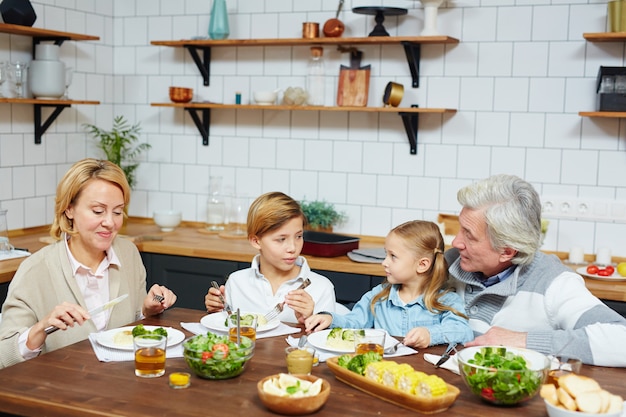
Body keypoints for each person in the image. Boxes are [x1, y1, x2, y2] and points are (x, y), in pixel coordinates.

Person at [0, 159, 177, 369]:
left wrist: (147, 310)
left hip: (123, 388)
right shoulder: (35, 270)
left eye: (118, 212)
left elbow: (129, 327)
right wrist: (41, 329)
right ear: (69, 209)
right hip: (61, 394)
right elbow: (4, 355)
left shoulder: (127, 253)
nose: (110, 222)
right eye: (98, 211)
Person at [447, 174, 626, 367]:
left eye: (469, 236)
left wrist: (522, 341)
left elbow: (621, 339)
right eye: (460, 228)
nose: (456, 242)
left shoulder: (554, 282)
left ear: (506, 251)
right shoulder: (450, 261)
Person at [304, 220, 474, 349]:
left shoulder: (446, 301)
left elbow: (463, 331)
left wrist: (430, 335)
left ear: (422, 264)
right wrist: (330, 319)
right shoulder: (378, 296)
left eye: (393, 256)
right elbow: (354, 322)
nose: (384, 262)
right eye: (386, 255)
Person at [204, 191, 337, 324]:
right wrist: (216, 312)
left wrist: (310, 319)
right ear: (256, 241)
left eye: (298, 236)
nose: (292, 248)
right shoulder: (236, 282)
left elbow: (326, 341)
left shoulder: (322, 287)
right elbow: (227, 332)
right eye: (281, 239)